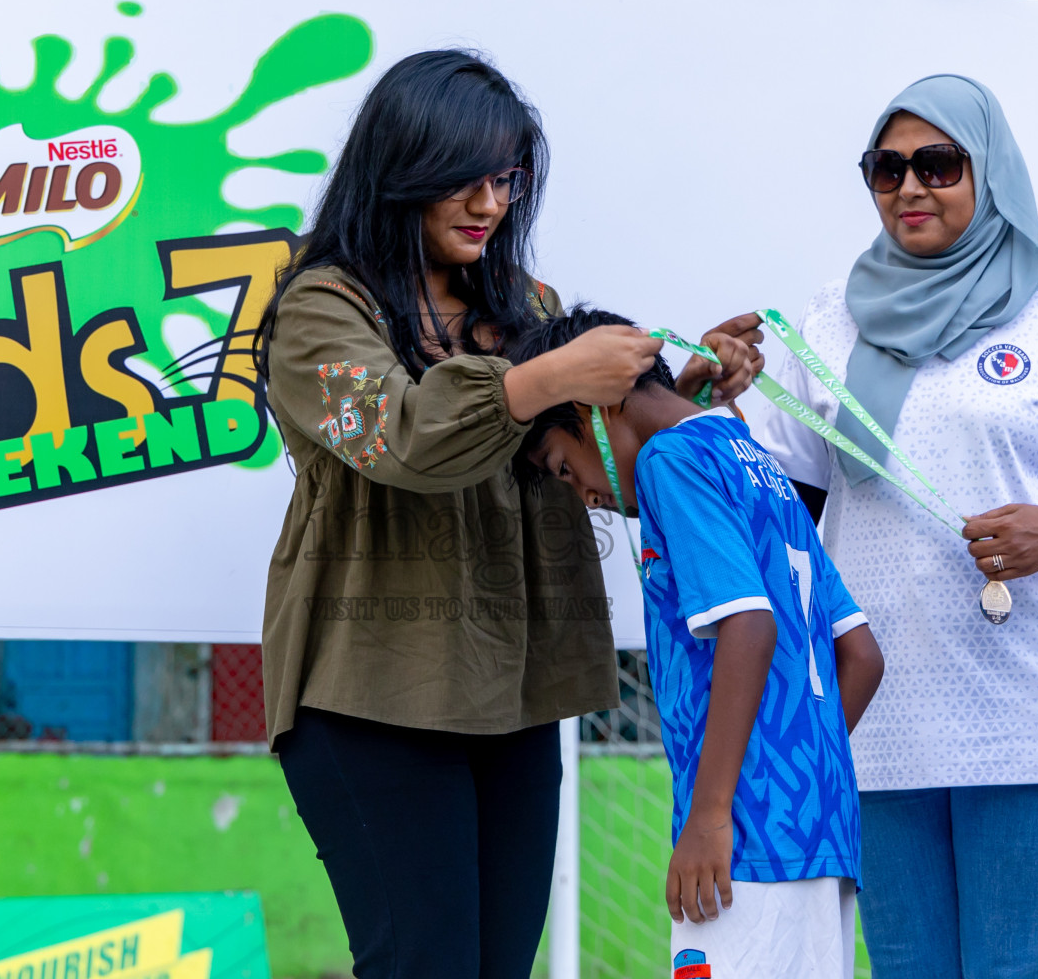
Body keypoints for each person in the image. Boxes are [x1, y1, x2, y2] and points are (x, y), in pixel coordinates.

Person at [252, 50, 758, 979]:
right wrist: (552, 374)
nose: (491, 202)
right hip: (370, 699)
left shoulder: (526, 307)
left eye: (506, 179)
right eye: (467, 178)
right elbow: (404, 439)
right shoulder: (321, 309)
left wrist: (669, 403)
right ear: (402, 166)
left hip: (514, 701)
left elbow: (577, 455)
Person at [757, 74, 1038, 978]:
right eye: (886, 168)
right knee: (904, 967)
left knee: (1013, 966)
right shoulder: (829, 319)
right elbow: (784, 521)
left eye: (937, 165)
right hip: (873, 711)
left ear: (991, 174)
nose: (909, 188)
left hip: (1026, 713)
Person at [510, 307, 884, 979]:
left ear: (593, 401)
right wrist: (783, 768)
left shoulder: (668, 460)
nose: (583, 496)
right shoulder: (751, 458)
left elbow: (750, 624)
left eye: (563, 468)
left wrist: (714, 813)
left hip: (738, 846)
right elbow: (861, 656)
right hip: (818, 832)